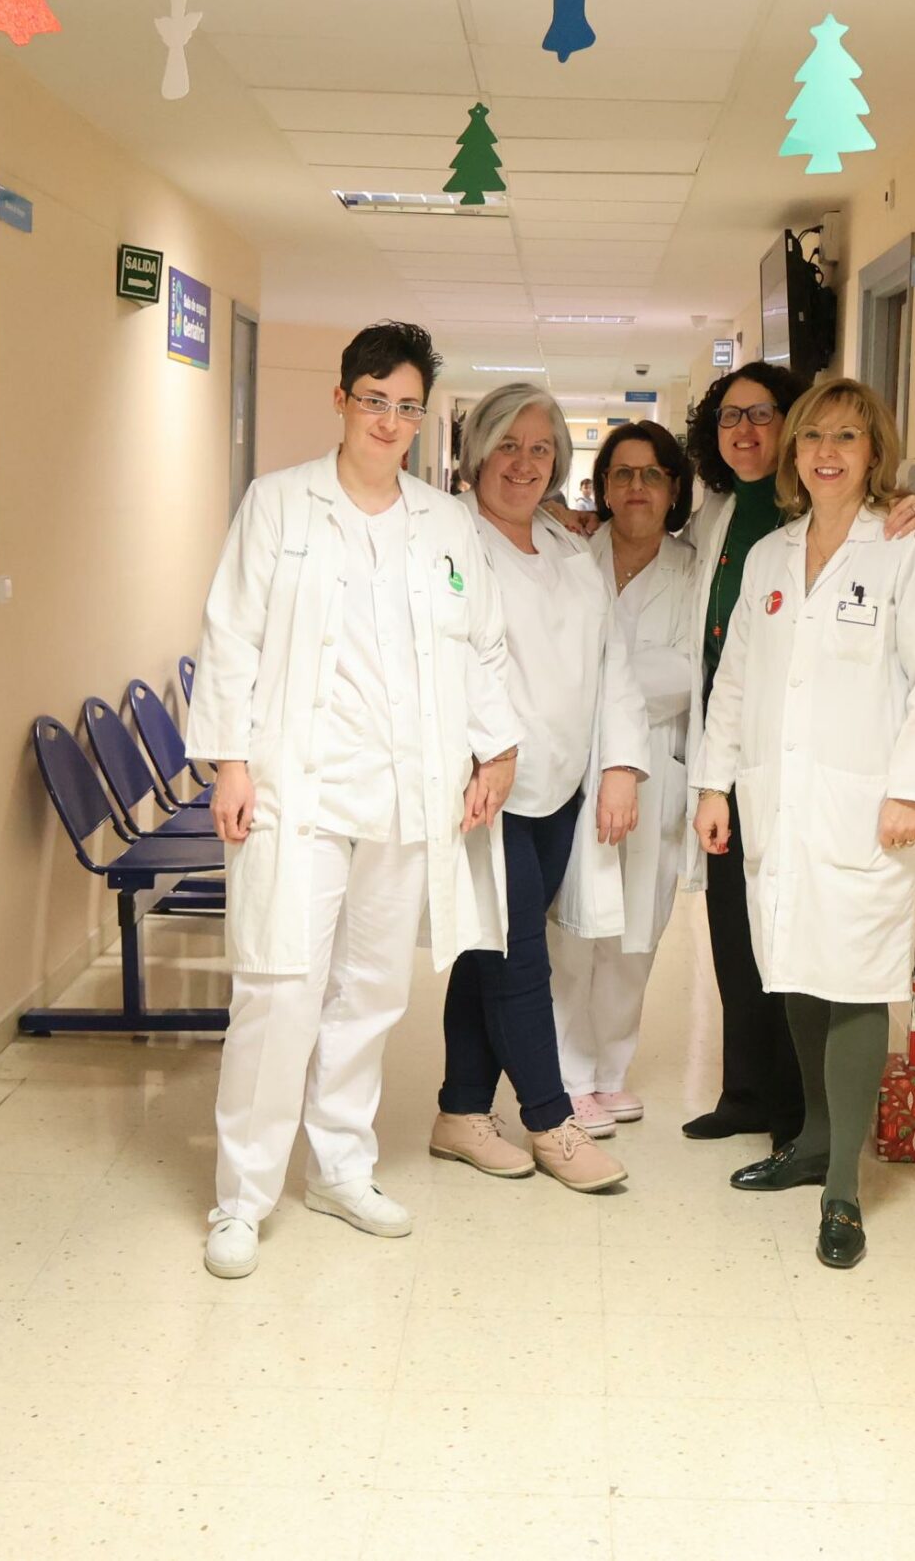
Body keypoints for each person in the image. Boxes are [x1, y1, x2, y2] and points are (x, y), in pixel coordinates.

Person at [185, 321, 520, 1280]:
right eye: (375, 400)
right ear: (342, 399)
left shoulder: (445, 524)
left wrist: (496, 751)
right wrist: (230, 763)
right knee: (279, 989)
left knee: (371, 993)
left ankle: (340, 1168)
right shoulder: (278, 503)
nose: (389, 420)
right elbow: (231, 636)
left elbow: (484, 646)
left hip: (408, 794)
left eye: (408, 406)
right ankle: (243, 1199)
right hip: (299, 789)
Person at [693, 377, 915, 1269]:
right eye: (813, 435)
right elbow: (734, 681)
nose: (827, 452)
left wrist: (913, 792)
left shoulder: (910, 548)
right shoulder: (771, 555)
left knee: (855, 975)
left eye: (847, 436)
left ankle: (842, 1186)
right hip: (780, 800)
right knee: (796, 966)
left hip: (868, 806)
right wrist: (714, 785)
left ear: (874, 450)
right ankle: (811, 1140)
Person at [429, 383, 647, 1192]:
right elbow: (452, 663)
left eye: (540, 448)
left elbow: (610, 659)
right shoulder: (451, 540)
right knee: (520, 956)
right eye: (508, 445)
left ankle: (460, 1110)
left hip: (561, 787)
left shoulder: (565, 548)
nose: (523, 463)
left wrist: (619, 764)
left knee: (491, 948)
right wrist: (484, 753)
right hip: (485, 784)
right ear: (477, 451)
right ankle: (551, 1122)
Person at [547, 422, 699, 1133]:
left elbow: (691, 672)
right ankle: (568, 1076)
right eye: (623, 474)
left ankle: (610, 1074)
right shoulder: (571, 557)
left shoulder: (694, 570)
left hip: (655, 772)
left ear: (673, 489)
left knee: (637, 931)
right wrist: (604, 685)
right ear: (602, 487)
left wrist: (601, 682)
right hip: (574, 768)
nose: (637, 488)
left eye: (652, 475)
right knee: (570, 928)